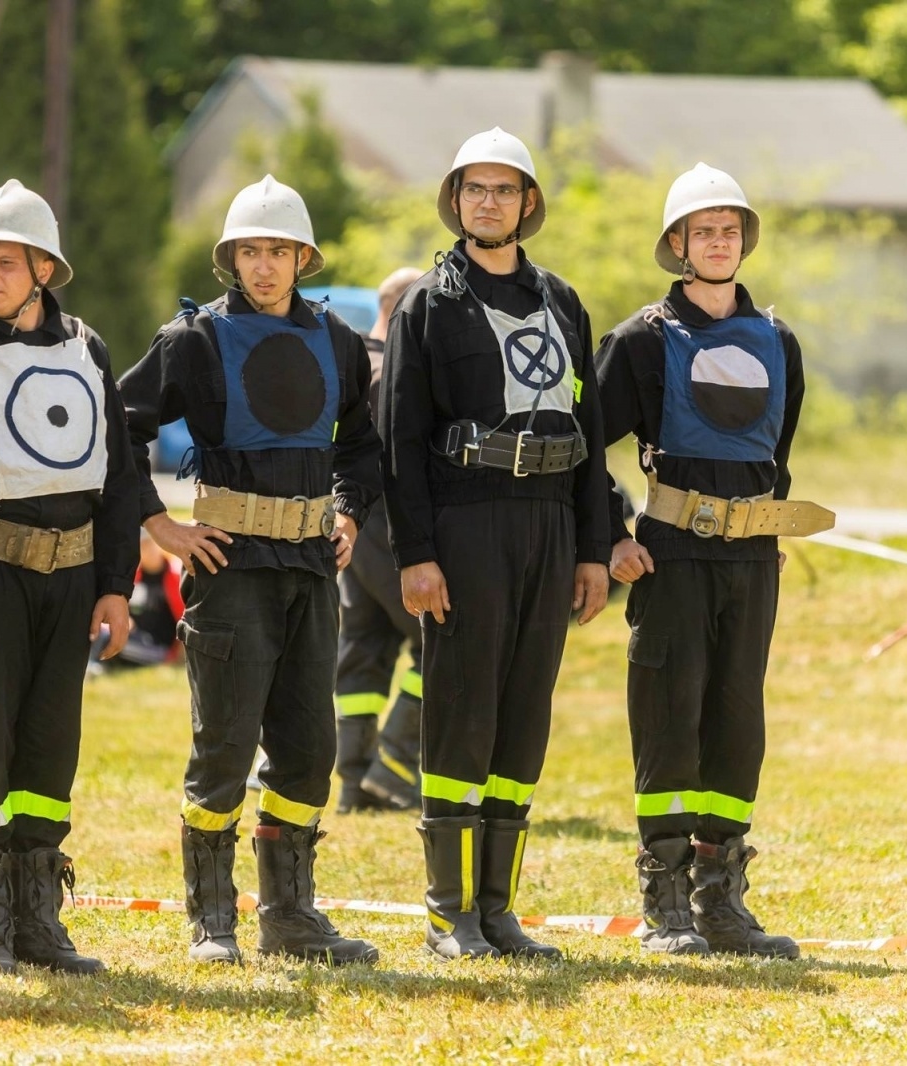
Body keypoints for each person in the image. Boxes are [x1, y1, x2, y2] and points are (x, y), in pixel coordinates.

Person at [120, 175, 381, 966]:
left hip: (309, 569)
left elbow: (362, 444)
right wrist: (159, 524)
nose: (264, 265)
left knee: (308, 749)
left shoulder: (338, 342)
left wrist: (350, 513)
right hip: (229, 570)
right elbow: (116, 422)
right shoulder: (193, 343)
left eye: (278, 251)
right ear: (229, 258)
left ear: (304, 257)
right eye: (249, 252)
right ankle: (212, 921)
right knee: (224, 747)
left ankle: (290, 918)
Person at [382, 127, 610, 960]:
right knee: (463, 707)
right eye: (474, 189)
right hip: (464, 523)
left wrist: (594, 547)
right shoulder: (428, 305)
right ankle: (449, 912)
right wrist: (415, 552)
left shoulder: (564, 302)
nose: (488, 202)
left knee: (523, 713)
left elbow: (589, 433)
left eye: (503, 189)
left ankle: (497, 909)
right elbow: (399, 438)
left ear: (528, 203)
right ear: (455, 200)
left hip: (549, 522)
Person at [597, 163, 831, 958]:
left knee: (738, 719)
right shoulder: (639, 342)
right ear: (677, 245)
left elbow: (779, 452)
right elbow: (578, 450)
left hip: (752, 560)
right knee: (671, 714)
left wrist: (766, 529)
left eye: (730, 230)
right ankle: (664, 899)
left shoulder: (778, 340)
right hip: (670, 556)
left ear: (744, 241)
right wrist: (610, 535)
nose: (719, 242)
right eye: (704, 231)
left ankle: (719, 896)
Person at [0, 179, 138, 974]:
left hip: (72, 581)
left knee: (50, 748)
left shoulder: (89, 348)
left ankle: (40, 924)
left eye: (5, 263)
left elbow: (119, 474)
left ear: (43, 268)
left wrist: (116, 584)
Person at [334, 265, 425, 812]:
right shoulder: (394, 371)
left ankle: (352, 783)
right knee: (443, 642)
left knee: (363, 656)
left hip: (352, 535)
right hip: (394, 533)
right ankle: (394, 766)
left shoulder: (352, 365)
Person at [89, 530, 184, 673]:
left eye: (150, 545)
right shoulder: (133, 577)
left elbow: (184, 619)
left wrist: (179, 657)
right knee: (100, 631)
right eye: (142, 547)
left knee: (111, 640)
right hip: (134, 637)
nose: (148, 551)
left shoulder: (175, 576)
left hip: (159, 649)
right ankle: (95, 666)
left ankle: (94, 666)